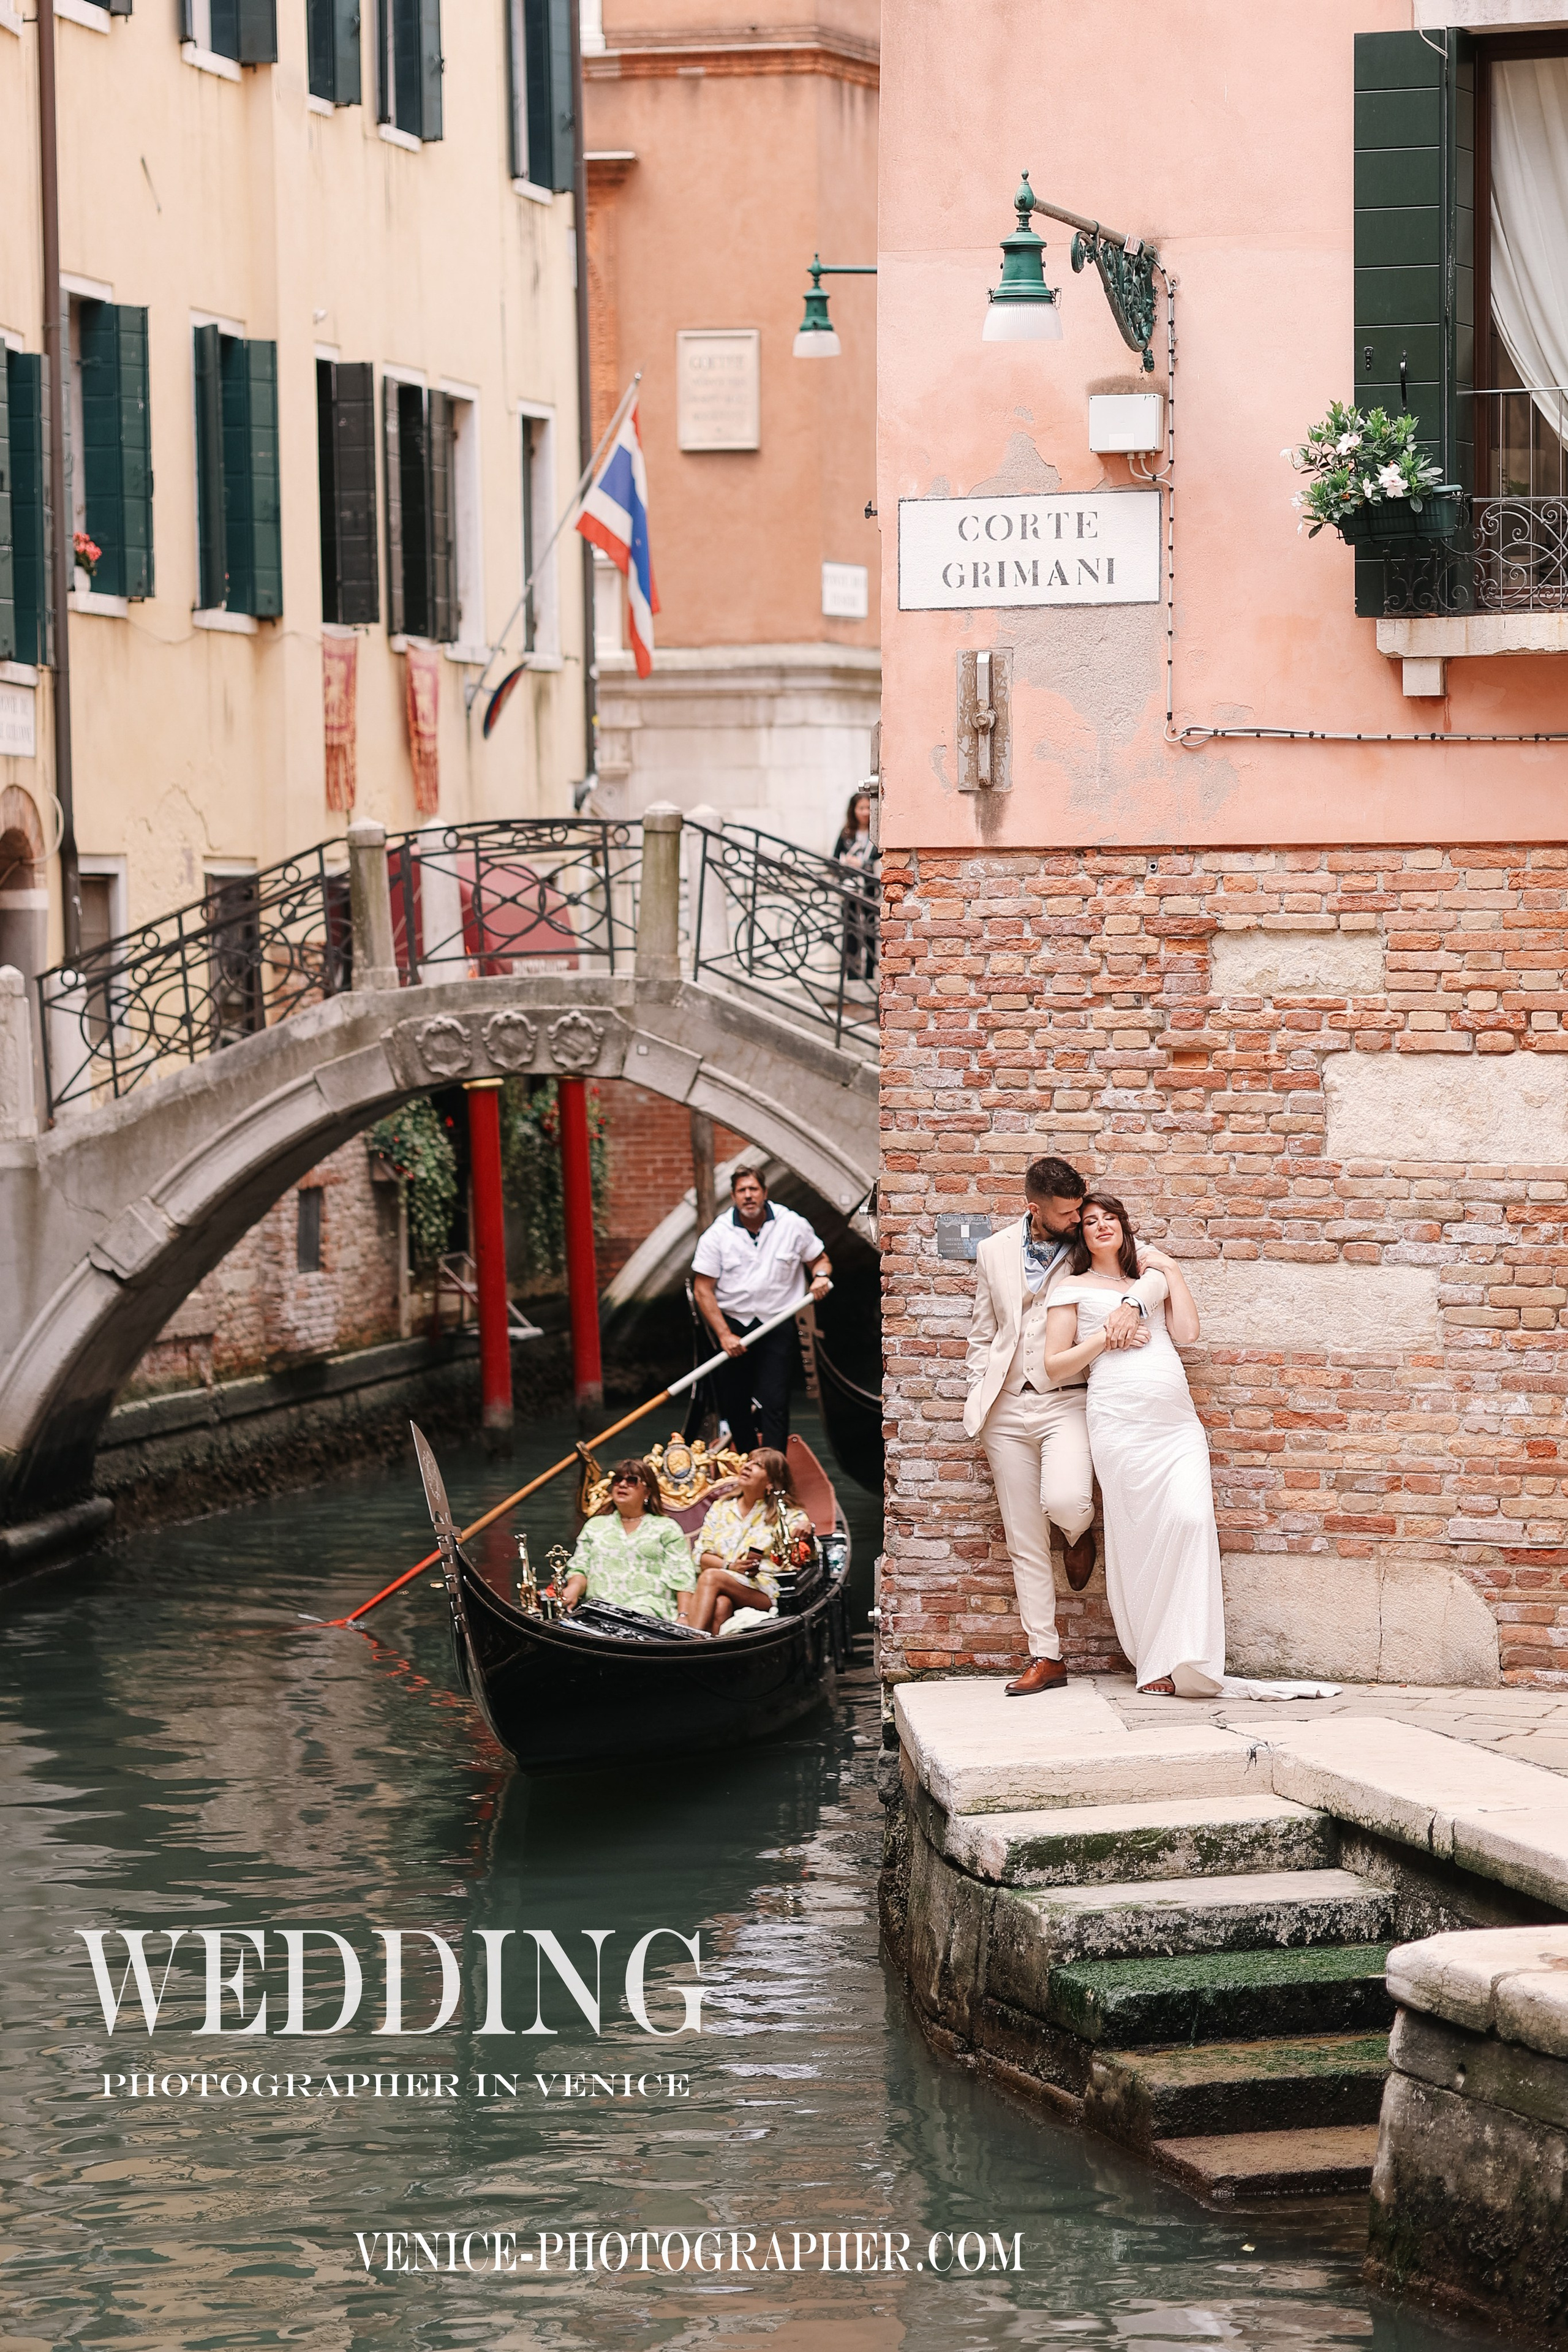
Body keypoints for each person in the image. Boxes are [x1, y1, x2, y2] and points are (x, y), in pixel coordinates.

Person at [1042, 1194, 1337, 1704]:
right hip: (1118, 1423)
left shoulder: (1150, 1277)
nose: (1101, 1226)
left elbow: (1187, 1332)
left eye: (1110, 1218)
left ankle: (1193, 1658)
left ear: (1124, 1226)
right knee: (1136, 1537)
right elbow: (1055, 1366)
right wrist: (1107, 1337)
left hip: (1175, 1424)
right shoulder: (1072, 1288)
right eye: (1090, 1221)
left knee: (1192, 1519)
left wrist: (1171, 1271)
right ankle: (1157, 1661)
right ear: (1081, 1235)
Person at [964, 1156, 1167, 1698]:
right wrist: (978, 1382)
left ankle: (1078, 1532)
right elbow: (984, 1330)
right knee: (1023, 1537)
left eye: (1082, 1209)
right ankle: (1046, 1656)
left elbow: (1155, 1270)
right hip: (1004, 1407)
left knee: (1067, 1503)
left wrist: (1129, 1304)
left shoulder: (1087, 1239)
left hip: (1068, 1400)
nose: (1080, 1219)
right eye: (1068, 1212)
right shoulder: (992, 1251)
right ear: (1035, 1209)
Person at [692, 1167, 831, 1452]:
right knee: (735, 1403)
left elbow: (821, 1260)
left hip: (777, 1322)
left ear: (765, 1193)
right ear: (733, 1197)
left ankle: (773, 1470)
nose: (748, 1196)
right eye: (742, 1191)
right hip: (733, 1327)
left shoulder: (792, 1224)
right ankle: (746, 1463)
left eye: (753, 1189)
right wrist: (724, 1335)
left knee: (775, 1401)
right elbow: (702, 1289)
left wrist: (820, 1277)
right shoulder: (717, 1235)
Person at [687, 1447, 813, 1633]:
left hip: (764, 1590)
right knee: (722, 1604)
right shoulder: (721, 1507)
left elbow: (805, 1554)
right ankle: (707, 1651)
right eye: (749, 1461)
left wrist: (808, 1531)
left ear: (770, 1482)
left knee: (711, 1576)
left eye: (758, 1465)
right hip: (725, 1585)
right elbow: (700, 1556)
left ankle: (687, 1641)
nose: (747, 1466)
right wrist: (731, 1567)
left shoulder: (787, 1516)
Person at [559, 1458, 697, 1624]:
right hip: (599, 1610)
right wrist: (574, 1588)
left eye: (632, 1481)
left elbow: (682, 1576)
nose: (622, 1485)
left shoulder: (666, 1528)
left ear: (647, 1492)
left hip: (649, 1611)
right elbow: (580, 1568)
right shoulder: (595, 1526)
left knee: (641, 1614)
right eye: (618, 1480)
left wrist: (684, 1616)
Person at [832, 790, 879, 982]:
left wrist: (864, 865)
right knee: (851, 930)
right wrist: (846, 863)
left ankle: (869, 974)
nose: (865, 812)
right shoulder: (846, 833)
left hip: (869, 889)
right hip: (850, 888)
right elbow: (834, 860)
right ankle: (852, 975)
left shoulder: (877, 834)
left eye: (869, 808)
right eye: (861, 808)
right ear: (853, 810)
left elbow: (883, 859)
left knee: (870, 930)